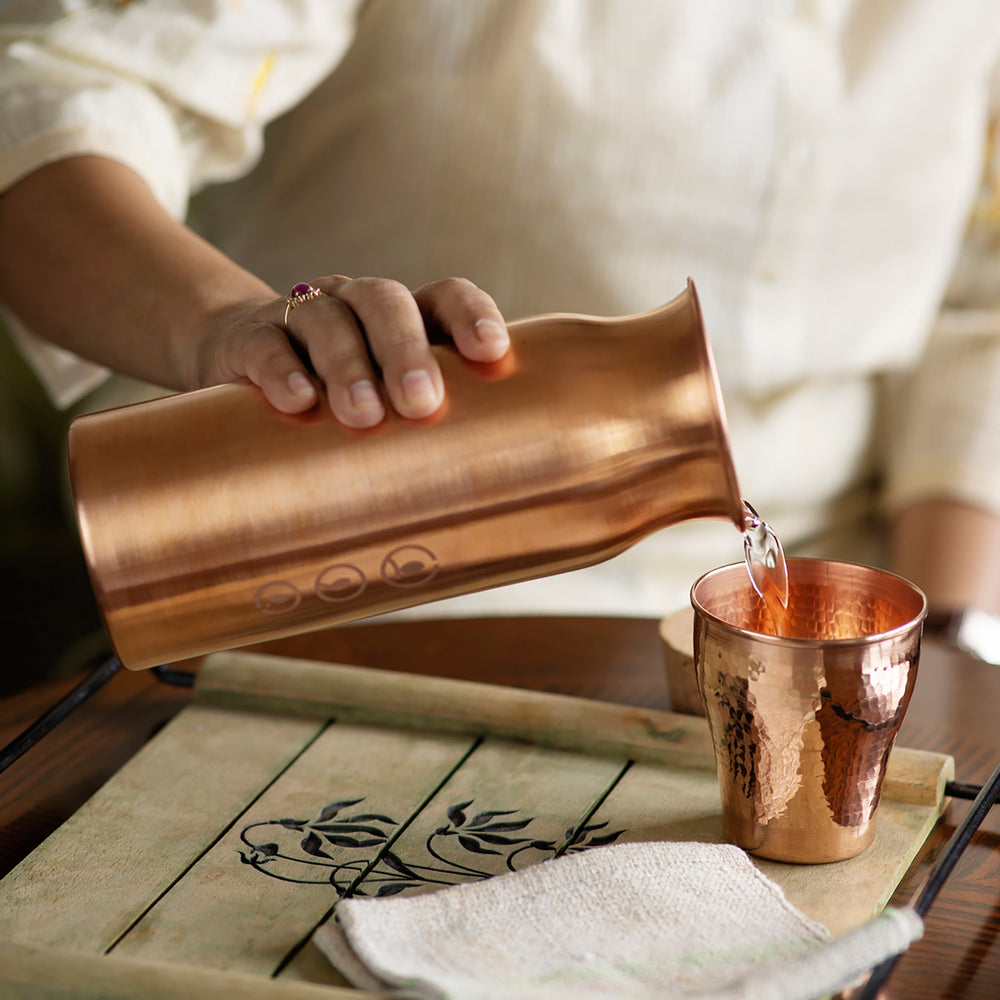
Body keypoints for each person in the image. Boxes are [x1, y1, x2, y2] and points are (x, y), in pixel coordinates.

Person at [1, 1, 999, 651]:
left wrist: (951, 644)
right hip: (391, 611)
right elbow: (54, 89)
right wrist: (223, 323)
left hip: (834, 589)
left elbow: (977, 293)